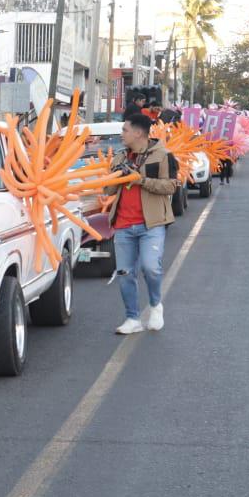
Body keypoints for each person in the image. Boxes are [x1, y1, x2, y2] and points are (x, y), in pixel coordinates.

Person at [104, 112, 180, 335]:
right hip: (123, 225)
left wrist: (141, 180)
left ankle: (156, 305)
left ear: (138, 133)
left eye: (125, 130)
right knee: (125, 273)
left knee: (151, 267)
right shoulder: (119, 158)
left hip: (152, 223)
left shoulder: (163, 156)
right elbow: (108, 189)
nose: (122, 134)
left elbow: (172, 186)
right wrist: (114, 178)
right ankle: (132, 318)